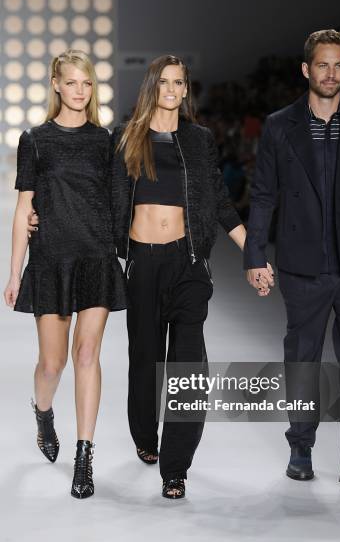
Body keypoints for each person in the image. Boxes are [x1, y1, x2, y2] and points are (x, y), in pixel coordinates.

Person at [244, 30, 340, 490]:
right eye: (322, 65)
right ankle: (301, 446)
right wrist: (256, 254)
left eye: (338, 66)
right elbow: (265, 193)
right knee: (303, 357)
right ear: (306, 69)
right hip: (301, 262)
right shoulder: (279, 125)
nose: (330, 73)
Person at [111, 55, 249, 499]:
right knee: (145, 360)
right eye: (164, 82)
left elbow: (220, 201)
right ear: (152, 86)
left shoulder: (199, 140)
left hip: (188, 262)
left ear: (187, 89)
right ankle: (145, 438)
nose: (171, 90)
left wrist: (255, 252)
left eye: (179, 83)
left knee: (189, 368)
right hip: (143, 263)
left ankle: (176, 468)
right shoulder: (126, 138)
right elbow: (102, 200)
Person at [3, 50, 127, 499]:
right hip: (52, 258)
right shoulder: (35, 141)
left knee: (88, 354)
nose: (80, 91)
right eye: (72, 82)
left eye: (87, 84)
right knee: (51, 364)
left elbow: (118, 199)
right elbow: (23, 208)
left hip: (96, 256)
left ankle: (84, 455)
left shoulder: (105, 141)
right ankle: (43, 412)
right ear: (56, 84)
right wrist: (14, 271)